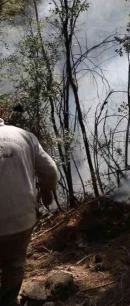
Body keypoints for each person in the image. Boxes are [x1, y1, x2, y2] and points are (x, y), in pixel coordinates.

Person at [0, 106, 59, 306]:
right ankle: (8, 301)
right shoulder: (24, 136)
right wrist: (46, 190)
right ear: (0, 112)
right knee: (14, 264)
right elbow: (50, 170)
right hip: (21, 219)